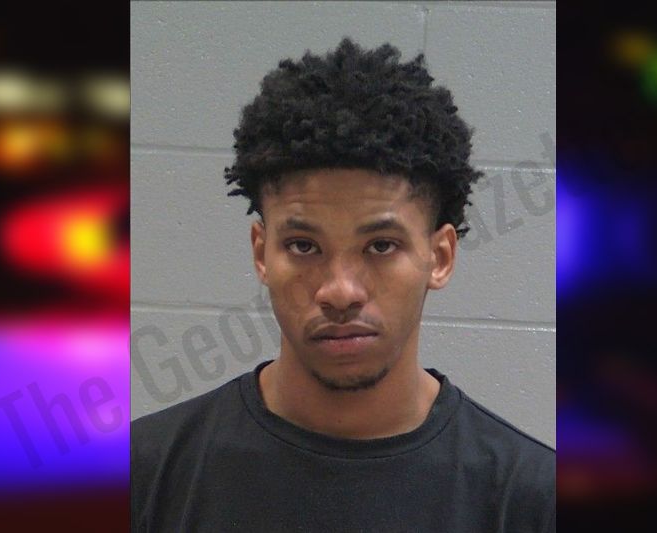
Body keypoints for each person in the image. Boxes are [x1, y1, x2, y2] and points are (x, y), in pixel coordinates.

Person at [132, 37, 555, 532]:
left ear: (439, 257)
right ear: (261, 254)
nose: (339, 291)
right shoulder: (142, 475)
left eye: (381, 246)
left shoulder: (531, 500)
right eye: (303, 246)